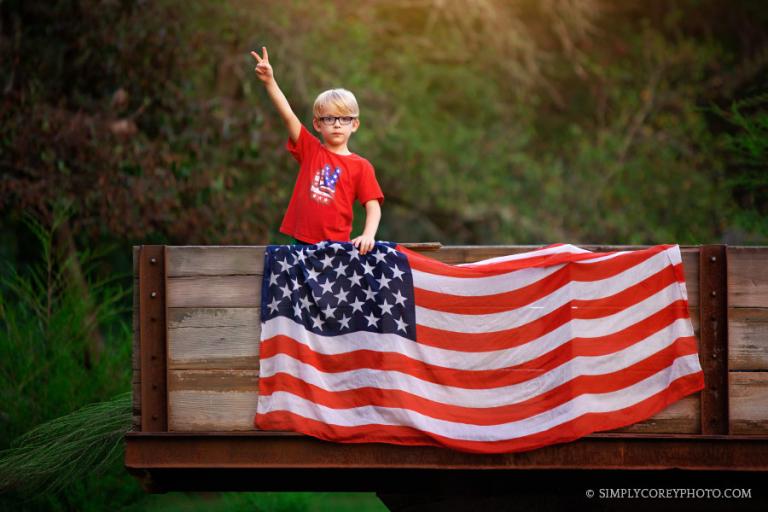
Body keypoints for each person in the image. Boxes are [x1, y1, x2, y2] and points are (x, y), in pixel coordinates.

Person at [250, 46, 383, 255]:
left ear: (354, 124)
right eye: (329, 118)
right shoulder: (310, 150)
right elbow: (288, 116)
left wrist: (368, 235)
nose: (337, 124)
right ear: (318, 124)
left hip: (338, 248)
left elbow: (373, 206)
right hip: (302, 244)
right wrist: (270, 82)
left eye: (344, 118)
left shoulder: (361, 166)